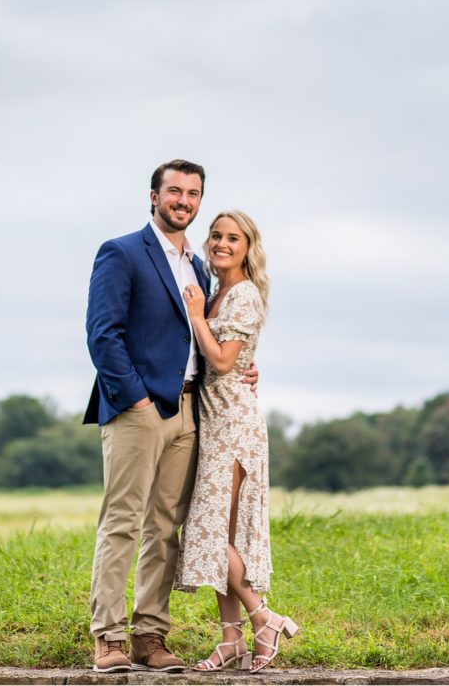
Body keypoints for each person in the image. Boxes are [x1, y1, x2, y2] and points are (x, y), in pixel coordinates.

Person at [83, 160, 259, 674]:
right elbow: (103, 335)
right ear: (154, 197)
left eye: (193, 193)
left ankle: (150, 637)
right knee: (122, 524)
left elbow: (209, 337)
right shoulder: (121, 252)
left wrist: (247, 368)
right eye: (175, 191)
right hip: (139, 410)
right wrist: (135, 399)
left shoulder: (200, 267)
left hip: (190, 410)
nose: (184, 201)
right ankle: (109, 640)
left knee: (166, 529)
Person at [174, 210, 299, 674]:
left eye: (233, 238)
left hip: (234, 427)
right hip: (215, 421)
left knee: (211, 533)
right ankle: (232, 640)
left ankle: (264, 618)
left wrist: (195, 315)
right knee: (219, 533)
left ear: (249, 247)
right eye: (216, 235)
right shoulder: (217, 287)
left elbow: (225, 361)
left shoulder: (243, 294)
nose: (222, 243)